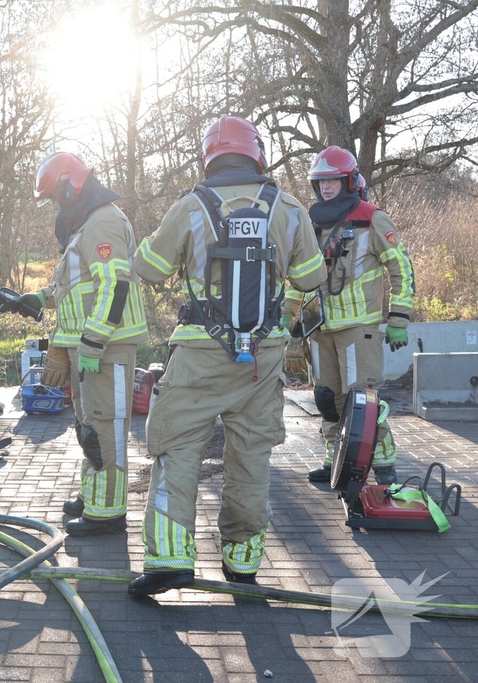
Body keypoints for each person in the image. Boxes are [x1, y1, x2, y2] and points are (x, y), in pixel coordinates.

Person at [127, 115, 326, 595]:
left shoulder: (191, 206)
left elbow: (148, 270)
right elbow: (313, 278)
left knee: (177, 446)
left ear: (210, 157)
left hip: (199, 352)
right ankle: (242, 561)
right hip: (264, 357)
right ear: (256, 153)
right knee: (250, 457)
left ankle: (171, 559)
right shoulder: (291, 208)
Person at [20, 151, 148, 537]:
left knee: (106, 428)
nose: (55, 206)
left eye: (56, 197)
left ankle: (109, 513)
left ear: (69, 186)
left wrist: (92, 344)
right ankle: (93, 495)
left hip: (107, 346)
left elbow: (115, 285)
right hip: (88, 347)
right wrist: (37, 299)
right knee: (89, 427)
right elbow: (76, 285)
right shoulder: (85, 223)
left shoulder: (103, 221)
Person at [286, 146, 415, 486]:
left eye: (332, 180)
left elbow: (400, 267)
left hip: (359, 329)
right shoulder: (311, 225)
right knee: (327, 400)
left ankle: (385, 465)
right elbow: (300, 277)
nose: (326, 188)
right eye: (320, 182)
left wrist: (399, 317)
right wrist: (290, 323)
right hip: (320, 329)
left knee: (361, 401)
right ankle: (334, 460)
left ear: (348, 181)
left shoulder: (372, 217)